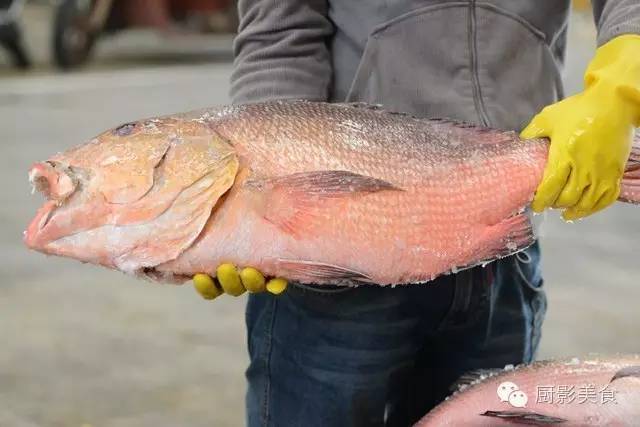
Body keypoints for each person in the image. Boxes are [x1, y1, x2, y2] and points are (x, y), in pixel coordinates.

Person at [193, 1, 640, 426]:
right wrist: (264, 190)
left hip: (502, 253)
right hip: (342, 259)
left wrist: (619, 86)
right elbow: (281, 32)